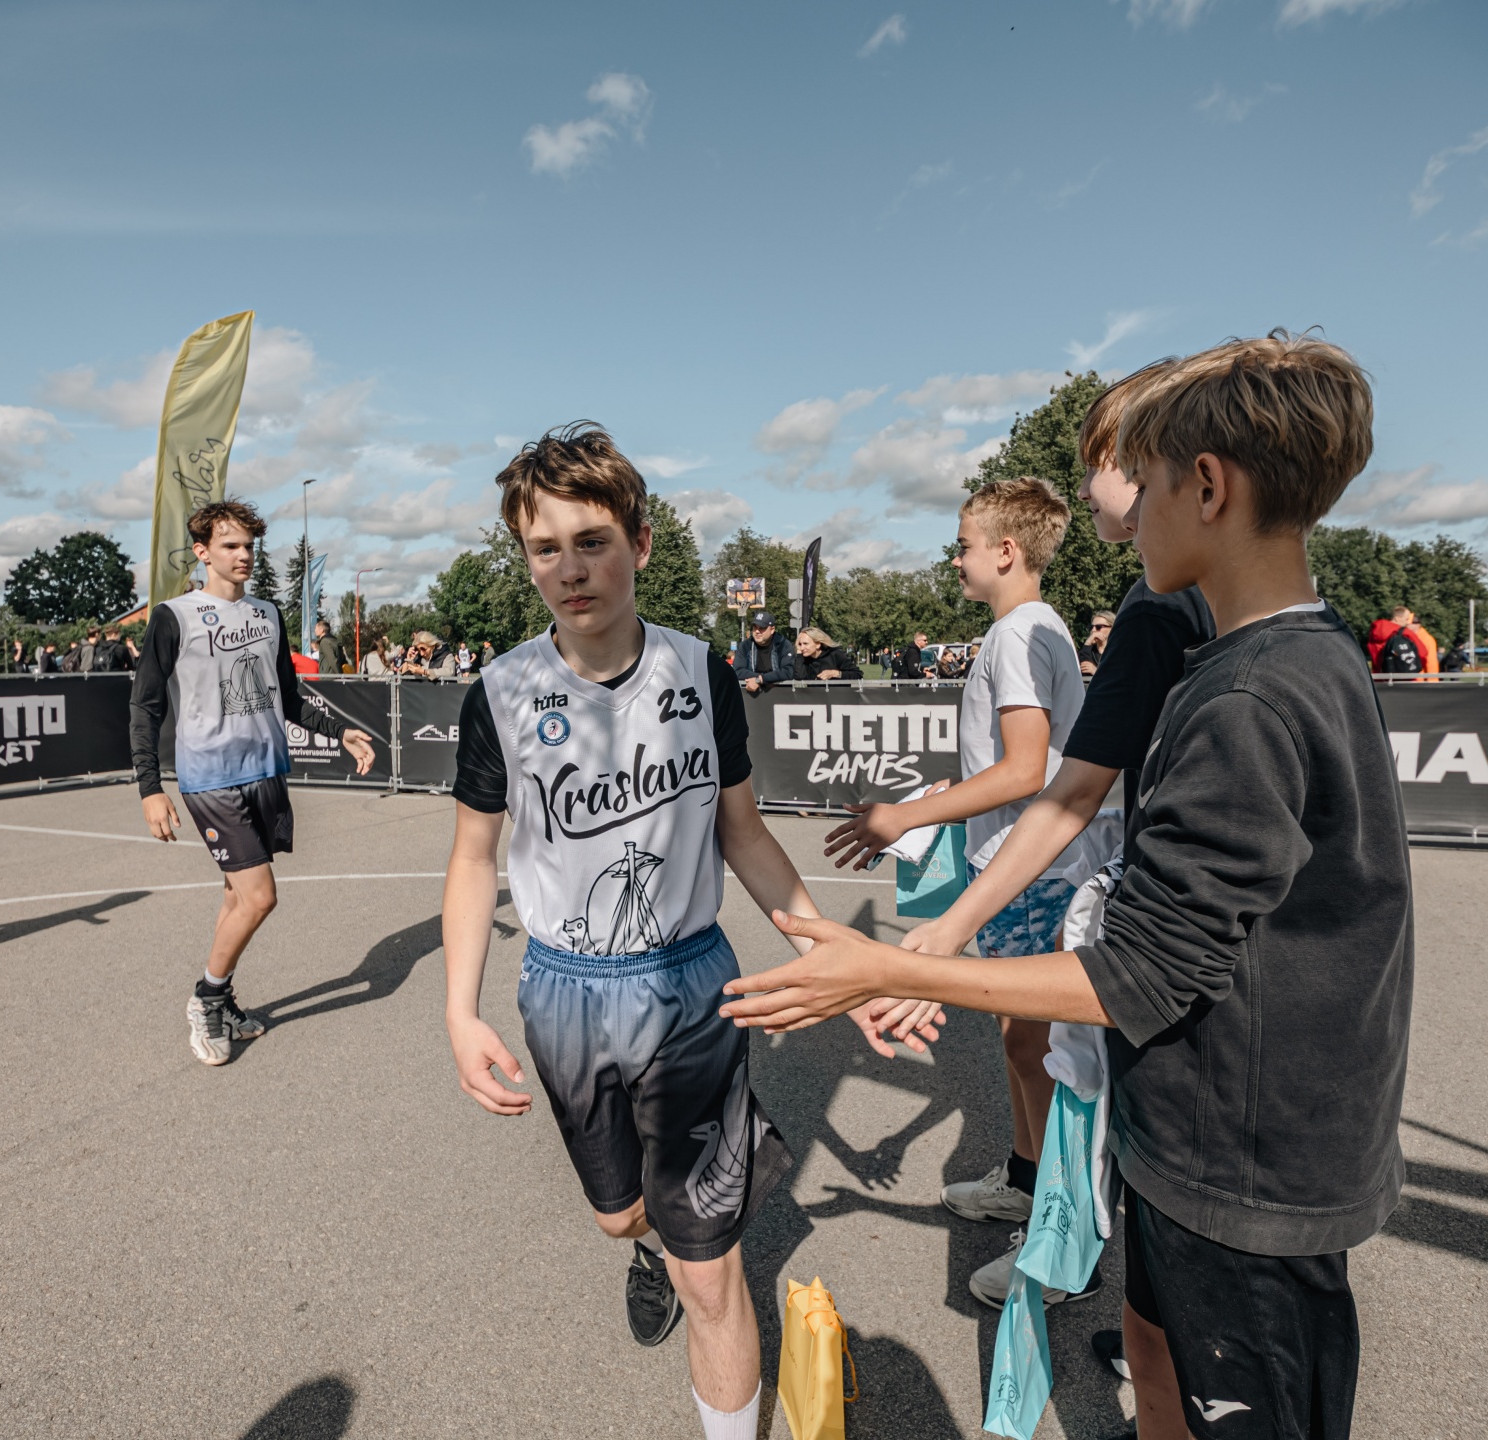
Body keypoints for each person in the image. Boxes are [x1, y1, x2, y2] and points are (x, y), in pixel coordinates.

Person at [723, 332, 1409, 1440]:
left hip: (1245, 1159)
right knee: (1156, 1347)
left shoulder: (1251, 700)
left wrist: (896, 965)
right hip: (1214, 1130)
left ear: (1206, 486)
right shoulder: (1279, 660)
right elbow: (1081, 813)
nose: (1122, 499)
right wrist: (937, 941)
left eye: (1144, 474)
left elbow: (1139, 970)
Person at [443, 423, 834, 1440]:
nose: (570, 570)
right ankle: (649, 1237)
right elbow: (474, 859)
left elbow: (744, 834)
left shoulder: (702, 673)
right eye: (545, 548)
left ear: (642, 544)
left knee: (714, 1277)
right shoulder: (501, 693)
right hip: (564, 992)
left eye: (593, 542)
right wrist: (459, 1012)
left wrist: (831, 952)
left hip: (691, 985)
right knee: (621, 1212)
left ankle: (698, 1252)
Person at [817, 474, 1103, 1309]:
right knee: (1022, 1044)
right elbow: (1014, 765)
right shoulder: (1030, 629)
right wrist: (941, 804)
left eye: (964, 546)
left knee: (1042, 1052)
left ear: (1006, 551)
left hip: (1037, 873)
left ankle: (1061, 1237)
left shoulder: (1019, 634)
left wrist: (903, 815)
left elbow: (1024, 770)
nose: (955, 560)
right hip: (1022, 866)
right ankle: (1027, 1180)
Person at [129, 498, 377, 1066]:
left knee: (236, 896)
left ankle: (223, 996)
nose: (243, 555)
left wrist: (339, 730)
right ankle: (206, 999)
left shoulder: (267, 614)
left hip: (266, 771)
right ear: (202, 551)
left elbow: (287, 695)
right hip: (210, 777)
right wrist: (150, 787)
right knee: (261, 897)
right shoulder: (174, 616)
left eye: (249, 546)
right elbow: (144, 706)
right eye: (230, 546)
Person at [731, 610, 793, 694]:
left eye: (762, 628)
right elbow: (737, 671)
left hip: (781, 694)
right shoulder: (745, 645)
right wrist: (760, 679)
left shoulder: (783, 644)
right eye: (755, 627)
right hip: (752, 695)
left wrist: (762, 679)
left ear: (772, 630)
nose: (757, 631)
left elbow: (788, 671)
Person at [792, 626, 860, 681]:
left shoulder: (835, 654)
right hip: (815, 694)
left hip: (837, 693)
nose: (802, 648)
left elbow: (858, 674)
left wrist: (835, 673)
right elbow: (799, 677)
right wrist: (799, 653)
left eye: (805, 643)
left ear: (818, 644)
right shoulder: (803, 658)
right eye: (800, 644)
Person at [1078, 610, 1115, 677]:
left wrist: (1096, 671)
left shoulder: (1118, 652)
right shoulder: (1087, 650)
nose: (1093, 630)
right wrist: (1087, 643)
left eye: (1098, 627)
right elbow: (1084, 671)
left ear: (1112, 628)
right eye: (1091, 627)